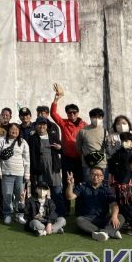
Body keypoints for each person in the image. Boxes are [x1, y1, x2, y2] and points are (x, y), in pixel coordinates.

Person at [50, 84, 86, 212]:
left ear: (78, 113)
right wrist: (56, 98)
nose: (72, 114)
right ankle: (65, 210)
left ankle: (80, 210)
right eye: (69, 112)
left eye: (74, 112)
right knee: (67, 183)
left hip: (80, 159)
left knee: (80, 183)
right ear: (67, 113)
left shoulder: (84, 125)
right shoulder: (64, 123)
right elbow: (53, 113)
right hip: (67, 158)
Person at [65, 167, 123, 241]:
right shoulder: (82, 186)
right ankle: (109, 232)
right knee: (79, 220)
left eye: (98, 175)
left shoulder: (107, 189)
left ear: (102, 177)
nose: (95, 177)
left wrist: (114, 216)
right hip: (87, 218)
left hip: (103, 218)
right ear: (89, 175)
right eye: (93, 174)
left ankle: (102, 233)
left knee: (120, 217)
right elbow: (70, 197)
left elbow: (114, 205)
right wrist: (70, 185)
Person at [27, 117, 64, 216]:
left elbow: (63, 150)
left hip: (53, 167)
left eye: (44, 124)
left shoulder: (53, 136)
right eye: (39, 124)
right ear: (36, 126)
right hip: (39, 168)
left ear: (47, 126)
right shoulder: (32, 138)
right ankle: (40, 212)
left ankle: (60, 212)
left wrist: (60, 148)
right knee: (41, 191)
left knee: (56, 190)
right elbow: (30, 155)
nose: (41, 126)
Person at [0, 123, 30, 225]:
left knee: (20, 195)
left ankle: (20, 214)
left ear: (19, 131)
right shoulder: (1, 141)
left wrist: (27, 174)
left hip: (20, 173)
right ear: (8, 130)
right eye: (12, 129)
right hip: (6, 173)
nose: (14, 131)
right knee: (7, 195)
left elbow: (27, 159)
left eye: (16, 130)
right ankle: (7, 214)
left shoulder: (23, 142)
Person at [76, 108, 107, 182]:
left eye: (99, 117)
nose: (97, 119)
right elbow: (78, 147)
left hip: (101, 164)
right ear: (90, 117)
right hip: (87, 164)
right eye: (94, 117)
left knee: (102, 185)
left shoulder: (105, 131)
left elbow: (106, 147)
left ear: (102, 118)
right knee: (87, 184)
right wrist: (85, 156)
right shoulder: (83, 131)